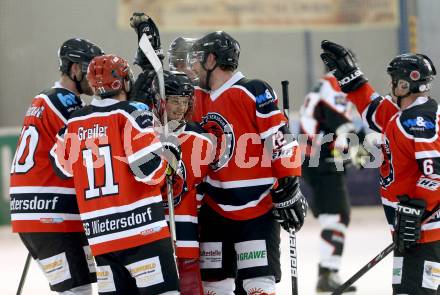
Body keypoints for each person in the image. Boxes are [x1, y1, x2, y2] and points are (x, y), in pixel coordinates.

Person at [187, 31, 308, 295]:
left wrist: (288, 184)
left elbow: (280, 140)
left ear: (211, 59)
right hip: (213, 208)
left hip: (256, 208)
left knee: (257, 285)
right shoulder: (197, 97)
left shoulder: (252, 90)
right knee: (213, 286)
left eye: (197, 59)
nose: (193, 66)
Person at [50, 54, 179, 294]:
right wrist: (170, 151)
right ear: (125, 81)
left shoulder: (73, 122)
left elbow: (61, 167)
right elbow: (150, 171)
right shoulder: (132, 113)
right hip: (143, 234)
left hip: (101, 240)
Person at [320, 40, 440, 294]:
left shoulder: (419, 121)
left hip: (426, 235)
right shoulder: (404, 116)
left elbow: (437, 173)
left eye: (395, 79)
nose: (391, 85)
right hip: (412, 235)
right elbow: (374, 109)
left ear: (406, 84)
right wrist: (352, 79)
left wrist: (417, 210)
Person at [9, 38, 103, 294]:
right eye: (89, 68)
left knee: (77, 287)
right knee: (77, 290)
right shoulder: (66, 103)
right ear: (74, 69)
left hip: (39, 208)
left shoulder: (45, 98)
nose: (95, 76)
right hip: (50, 211)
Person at [132, 70, 214, 295]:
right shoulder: (143, 135)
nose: (180, 108)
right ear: (160, 101)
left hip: (184, 236)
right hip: (148, 235)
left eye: (184, 101)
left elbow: (181, 185)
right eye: (174, 101)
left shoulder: (201, 140)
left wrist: (171, 165)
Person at [299, 72, 367, 293]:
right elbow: (341, 123)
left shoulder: (320, 86)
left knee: (332, 216)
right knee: (337, 216)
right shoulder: (333, 87)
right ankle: (328, 273)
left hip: (315, 159)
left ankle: (327, 272)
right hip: (323, 161)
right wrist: (358, 147)